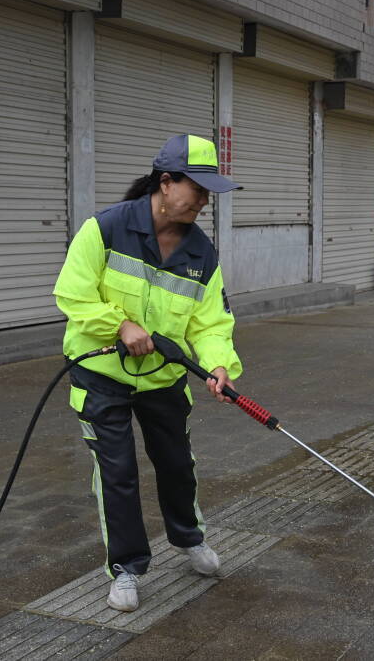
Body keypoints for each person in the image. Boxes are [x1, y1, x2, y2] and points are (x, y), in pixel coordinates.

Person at [53, 134, 244, 613]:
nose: (205, 201)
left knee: (178, 465)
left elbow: (211, 322)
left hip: (163, 378)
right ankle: (127, 568)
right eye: (198, 189)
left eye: (209, 193)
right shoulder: (105, 229)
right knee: (117, 472)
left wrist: (219, 364)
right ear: (165, 182)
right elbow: (72, 294)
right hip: (101, 374)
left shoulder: (202, 253)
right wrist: (119, 325)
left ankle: (188, 538)